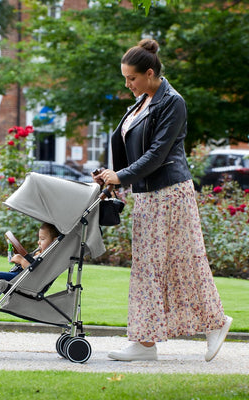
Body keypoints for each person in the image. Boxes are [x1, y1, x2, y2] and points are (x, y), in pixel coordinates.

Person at [93, 39, 232, 362]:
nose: (127, 84)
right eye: (126, 78)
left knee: (180, 262)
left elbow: (158, 154)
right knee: (152, 267)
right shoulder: (142, 101)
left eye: (132, 78)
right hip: (147, 195)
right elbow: (127, 144)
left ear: (150, 73)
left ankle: (209, 325)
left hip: (169, 193)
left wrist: (122, 176)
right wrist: (111, 174)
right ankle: (148, 342)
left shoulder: (171, 102)